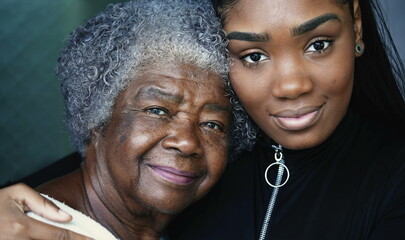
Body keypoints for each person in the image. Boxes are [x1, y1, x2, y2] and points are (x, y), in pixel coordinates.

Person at [1, 0, 405, 239]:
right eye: (253, 56)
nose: (291, 85)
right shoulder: (37, 220)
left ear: (355, 23)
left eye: (317, 43)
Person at [0, 0, 233, 239]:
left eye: (212, 124)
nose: (187, 143)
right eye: (157, 111)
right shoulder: (29, 230)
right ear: (96, 117)